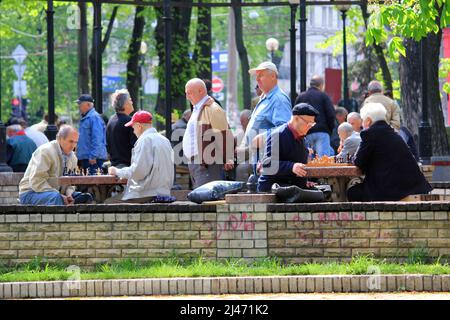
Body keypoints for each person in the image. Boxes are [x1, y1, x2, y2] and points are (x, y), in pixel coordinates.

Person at [347, 103, 432, 201]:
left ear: (368, 121)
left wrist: (351, 158)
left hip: (391, 190)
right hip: (413, 186)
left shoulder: (370, 134)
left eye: (363, 120)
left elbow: (358, 162)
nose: (362, 124)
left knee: (352, 192)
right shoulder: (393, 132)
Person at [107, 111, 174, 203]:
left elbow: (138, 172)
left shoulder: (144, 140)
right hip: (164, 192)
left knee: (108, 202)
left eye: (133, 127)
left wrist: (117, 171)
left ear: (139, 126)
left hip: (146, 193)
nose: (133, 131)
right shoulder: (165, 140)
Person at [19, 125, 93, 205]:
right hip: (31, 193)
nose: (73, 146)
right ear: (59, 138)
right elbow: (36, 181)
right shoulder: (45, 151)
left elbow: (70, 183)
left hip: (56, 193)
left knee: (86, 197)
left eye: (76, 142)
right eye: (71, 141)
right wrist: (61, 196)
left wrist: (69, 195)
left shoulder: (73, 158)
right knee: (57, 198)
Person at [182, 78, 235, 189]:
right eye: (186, 93)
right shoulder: (198, 108)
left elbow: (223, 134)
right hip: (198, 163)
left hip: (207, 164)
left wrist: (228, 158)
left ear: (201, 91)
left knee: (207, 200)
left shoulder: (213, 109)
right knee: (203, 199)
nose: (187, 97)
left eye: (189, 93)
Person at [258, 103, 319, 193]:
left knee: (325, 191)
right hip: (273, 188)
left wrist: (304, 182)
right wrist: (292, 167)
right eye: (308, 123)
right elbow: (267, 164)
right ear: (296, 118)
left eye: (312, 124)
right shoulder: (278, 134)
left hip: (291, 186)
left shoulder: (302, 138)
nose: (309, 127)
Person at [243, 61, 291, 167]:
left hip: (268, 162)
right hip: (260, 159)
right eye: (257, 76)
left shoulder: (279, 99)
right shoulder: (265, 98)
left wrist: (263, 137)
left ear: (273, 76)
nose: (257, 79)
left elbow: (285, 129)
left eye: (261, 75)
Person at [295, 75, 335, 156]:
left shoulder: (301, 97)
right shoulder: (324, 96)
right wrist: (328, 130)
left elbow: (295, 115)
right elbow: (331, 115)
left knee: (308, 160)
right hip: (322, 132)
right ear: (321, 85)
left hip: (305, 132)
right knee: (323, 161)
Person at [76, 94, 108, 174]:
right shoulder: (88, 117)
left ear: (88, 104)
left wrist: (93, 156)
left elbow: (97, 138)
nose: (79, 106)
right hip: (87, 158)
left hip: (93, 160)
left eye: (80, 104)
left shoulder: (94, 117)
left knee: (93, 185)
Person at [106, 89, 137, 168]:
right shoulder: (129, 121)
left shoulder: (111, 120)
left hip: (114, 166)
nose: (132, 102)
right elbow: (136, 146)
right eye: (130, 100)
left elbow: (107, 146)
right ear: (125, 104)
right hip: (127, 168)